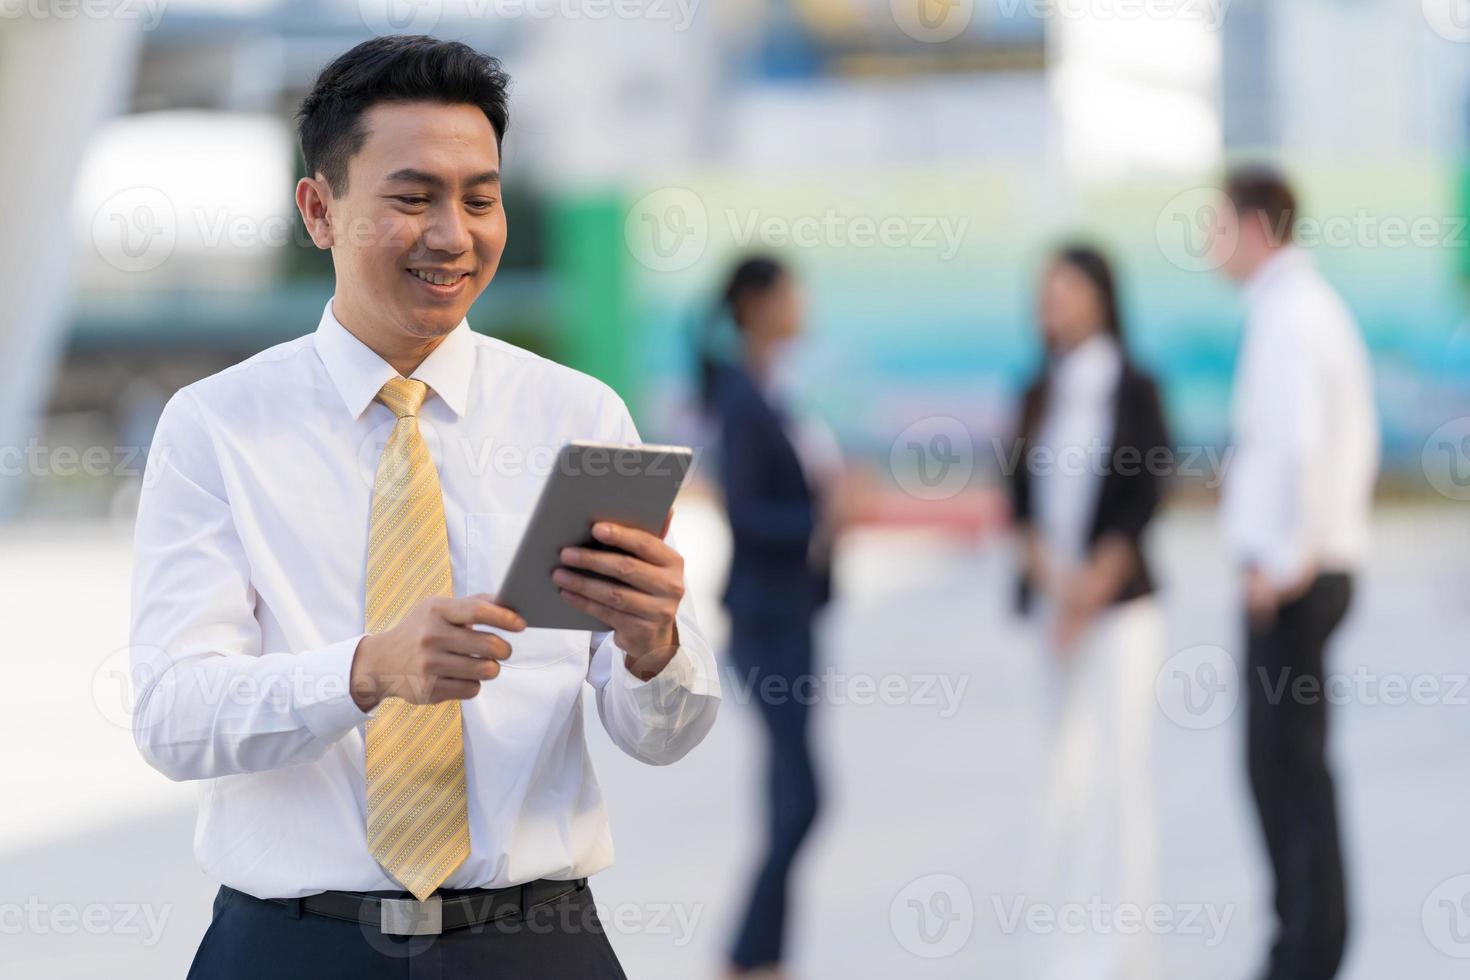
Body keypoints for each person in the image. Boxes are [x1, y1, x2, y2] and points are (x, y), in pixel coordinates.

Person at [127, 36, 721, 978]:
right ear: (319, 210)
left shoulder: (578, 415)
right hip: (292, 948)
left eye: (479, 198)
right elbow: (172, 717)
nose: (454, 233)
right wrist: (366, 670)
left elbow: (662, 735)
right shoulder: (216, 428)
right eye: (412, 198)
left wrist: (657, 649)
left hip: (536, 946)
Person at [1215, 167, 1378, 980]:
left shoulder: (1291, 318)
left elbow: (1300, 449)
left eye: (1217, 227)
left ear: (1256, 227)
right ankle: (1306, 946)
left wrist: (1281, 563)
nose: (1210, 246)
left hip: (1292, 580)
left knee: (1285, 771)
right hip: (1300, 572)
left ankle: (1305, 953)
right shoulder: (1298, 311)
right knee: (1288, 767)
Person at [1009, 244, 1172, 980]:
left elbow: (1144, 497)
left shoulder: (1134, 387)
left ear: (1102, 296)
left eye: (1066, 289)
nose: (1053, 303)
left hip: (1118, 610)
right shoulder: (1039, 391)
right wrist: (1052, 581)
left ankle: (1125, 951)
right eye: (1046, 291)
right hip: (1055, 609)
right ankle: (1064, 946)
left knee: (1120, 773)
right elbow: (1017, 500)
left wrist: (1090, 589)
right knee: (1061, 777)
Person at [699, 257, 844, 979]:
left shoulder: (773, 389)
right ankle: (744, 955)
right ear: (759, 305)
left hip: (794, 614)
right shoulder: (741, 398)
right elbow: (748, 513)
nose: (803, 303)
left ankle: (768, 958)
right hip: (766, 621)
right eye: (792, 291)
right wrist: (823, 515)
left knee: (790, 799)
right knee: (803, 799)